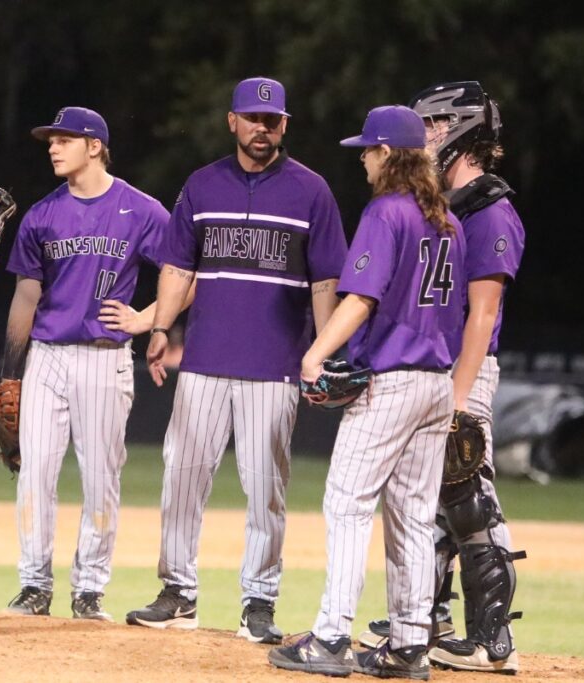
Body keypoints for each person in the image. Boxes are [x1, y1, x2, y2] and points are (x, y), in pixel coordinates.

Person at [125, 77, 348, 644]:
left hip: (275, 367)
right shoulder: (202, 186)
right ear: (232, 121)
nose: (261, 128)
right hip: (201, 361)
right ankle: (177, 591)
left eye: (271, 121)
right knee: (181, 477)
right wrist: (160, 327)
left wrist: (321, 354)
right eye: (251, 118)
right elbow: (178, 269)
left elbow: (326, 282)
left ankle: (259, 600)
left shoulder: (312, 192)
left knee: (266, 488)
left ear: (284, 126)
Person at [268, 105, 466, 680]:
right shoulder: (446, 221)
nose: (362, 156)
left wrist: (315, 354)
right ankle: (408, 645)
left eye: (369, 148)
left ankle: (330, 637)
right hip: (437, 384)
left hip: (395, 380)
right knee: (410, 514)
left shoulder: (388, 212)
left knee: (348, 502)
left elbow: (359, 299)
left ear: (388, 155)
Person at [357, 81, 527, 675]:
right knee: (425, 502)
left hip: (464, 370)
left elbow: (483, 313)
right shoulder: (444, 206)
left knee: (468, 498)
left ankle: (492, 638)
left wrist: (459, 394)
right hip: (431, 369)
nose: (423, 137)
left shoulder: (491, 210)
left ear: (459, 129)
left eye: (432, 125)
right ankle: (428, 621)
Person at [2, 107, 169, 621]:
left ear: (94, 146)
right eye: (50, 140)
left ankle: (89, 589)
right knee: (35, 475)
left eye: (63, 139)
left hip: (104, 357)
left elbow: (186, 273)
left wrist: (150, 319)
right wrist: (11, 372)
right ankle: (34, 585)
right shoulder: (41, 214)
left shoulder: (140, 210)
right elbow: (26, 298)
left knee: (100, 476)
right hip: (47, 357)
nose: (52, 147)